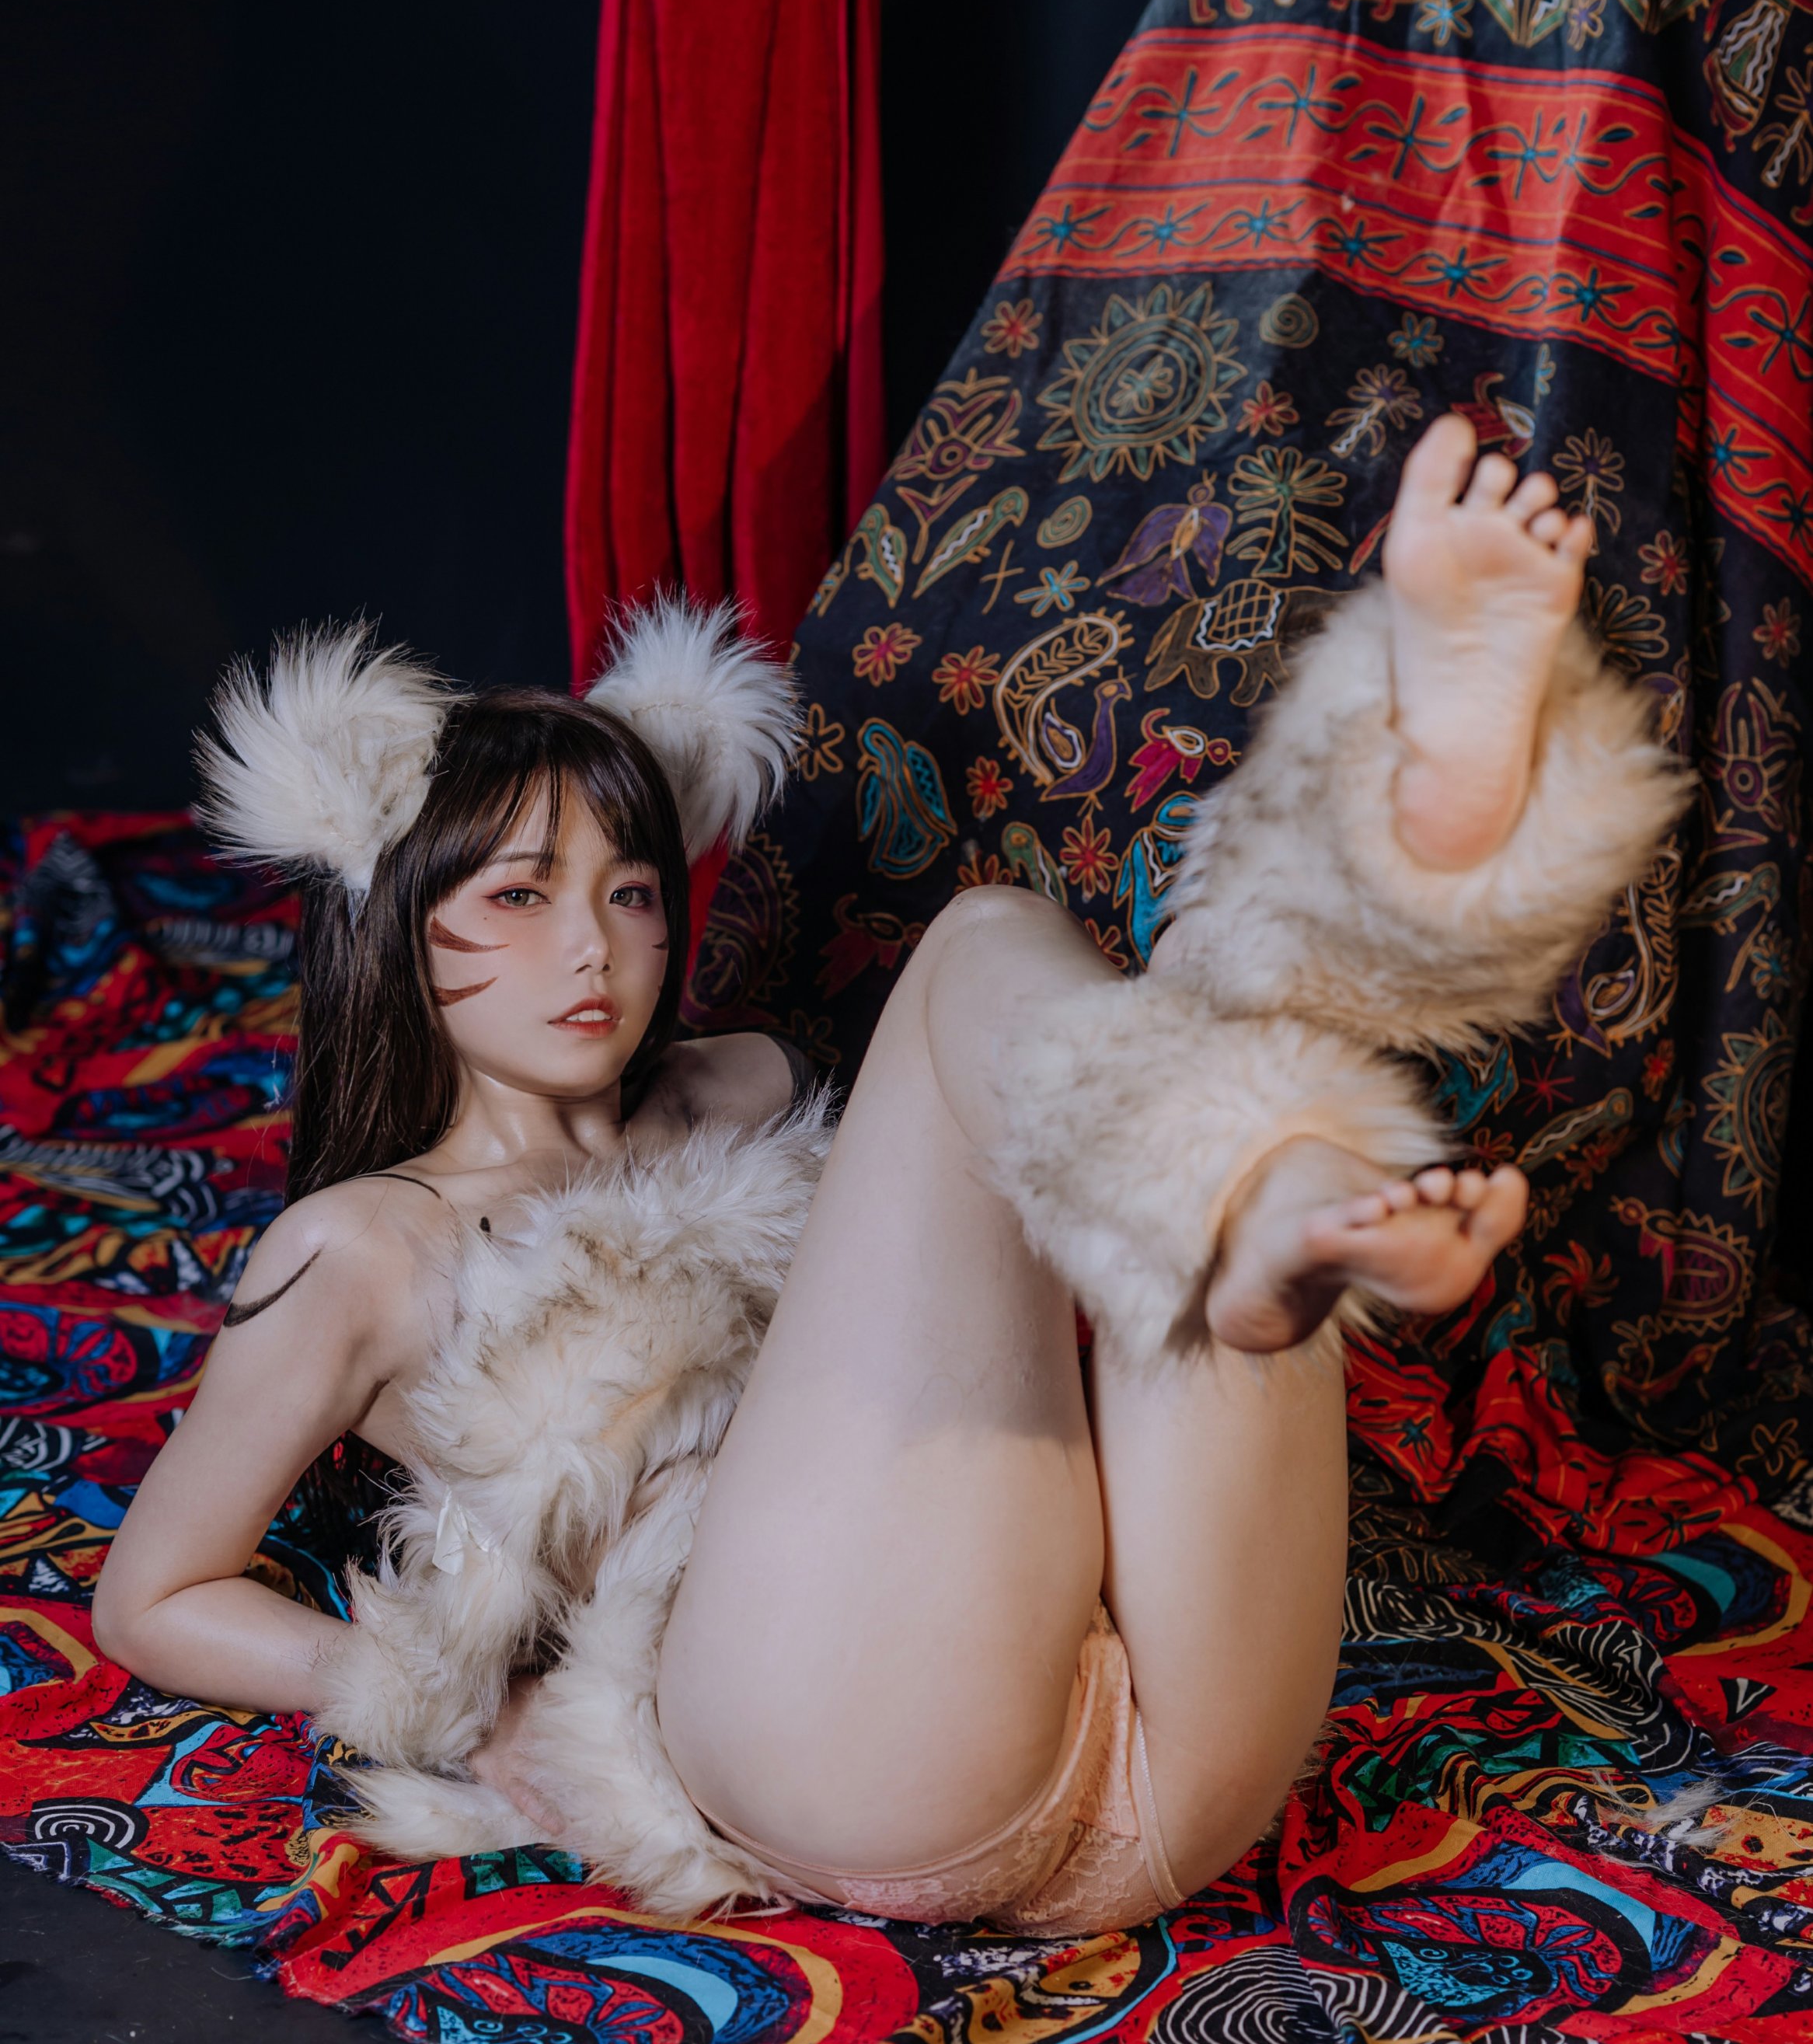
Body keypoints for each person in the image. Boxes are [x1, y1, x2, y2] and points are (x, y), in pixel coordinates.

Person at [92, 417, 1689, 1936]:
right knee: (987, 948)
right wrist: (478, 1714)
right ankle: (1249, 1171)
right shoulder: (361, 1248)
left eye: (632, 892)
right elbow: (150, 1597)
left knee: (1189, 1023)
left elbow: (959, 1293)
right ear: (394, 927)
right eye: (521, 896)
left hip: (1167, 1741)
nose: (594, 948)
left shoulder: (744, 1088)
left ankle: (1391, 870)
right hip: (813, 1740)